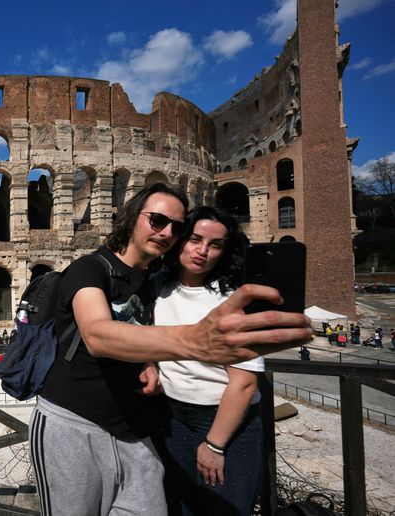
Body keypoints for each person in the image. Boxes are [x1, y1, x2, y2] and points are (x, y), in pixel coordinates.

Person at [29, 184, 312, 515]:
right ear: (132, 216)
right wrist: (194, 341)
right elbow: (97, 335)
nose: (166, 233)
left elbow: (141, 329)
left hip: (135, 427)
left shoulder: (151, 281)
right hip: (74, 421)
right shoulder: (89, 269)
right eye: (157, 220)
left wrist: (149, 360)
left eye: (177, 228)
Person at [153, 206, 263, 515]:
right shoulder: (160, 286)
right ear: (179, 240)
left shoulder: (237, 299)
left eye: (215, 244)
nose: (203, 251)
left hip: (225, 423)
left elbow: (244, 382)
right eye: (195, 239)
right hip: (172, 418)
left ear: (226, 251)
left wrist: (215, 445)